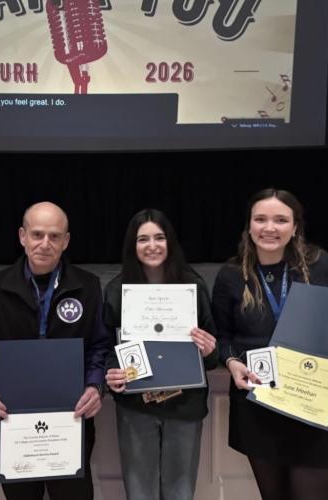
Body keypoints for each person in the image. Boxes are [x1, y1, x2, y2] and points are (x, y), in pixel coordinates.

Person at [211, 188, 328, 500]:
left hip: (313, 403)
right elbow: (222, 336)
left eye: (280, 220)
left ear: (295, 226)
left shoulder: (323, 266)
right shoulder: (231, 275)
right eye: (260, 219)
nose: (269, 228)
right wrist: (231, 363)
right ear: (249, 225)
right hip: (258, 403)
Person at [0, 201, 110, 500]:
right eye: (37, 234)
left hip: (71, 422)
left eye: (55, 236)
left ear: (66, 241)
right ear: (22, 236)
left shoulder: (88, 286)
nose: (45, 244)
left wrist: (96, 386)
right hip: (10, 422)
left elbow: (99, 346)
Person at [103, 208, 218, 500]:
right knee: (139, 491)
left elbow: (212, 356)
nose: (152, 245)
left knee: (181, 491)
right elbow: (106, 348)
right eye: (143, 239)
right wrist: (111, 372)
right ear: (132, 245)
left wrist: (209, 349)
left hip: (185, 406)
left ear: (171, 242)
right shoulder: (117, 291)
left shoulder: (194, 287)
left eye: (159, 237)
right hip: (136, 406)